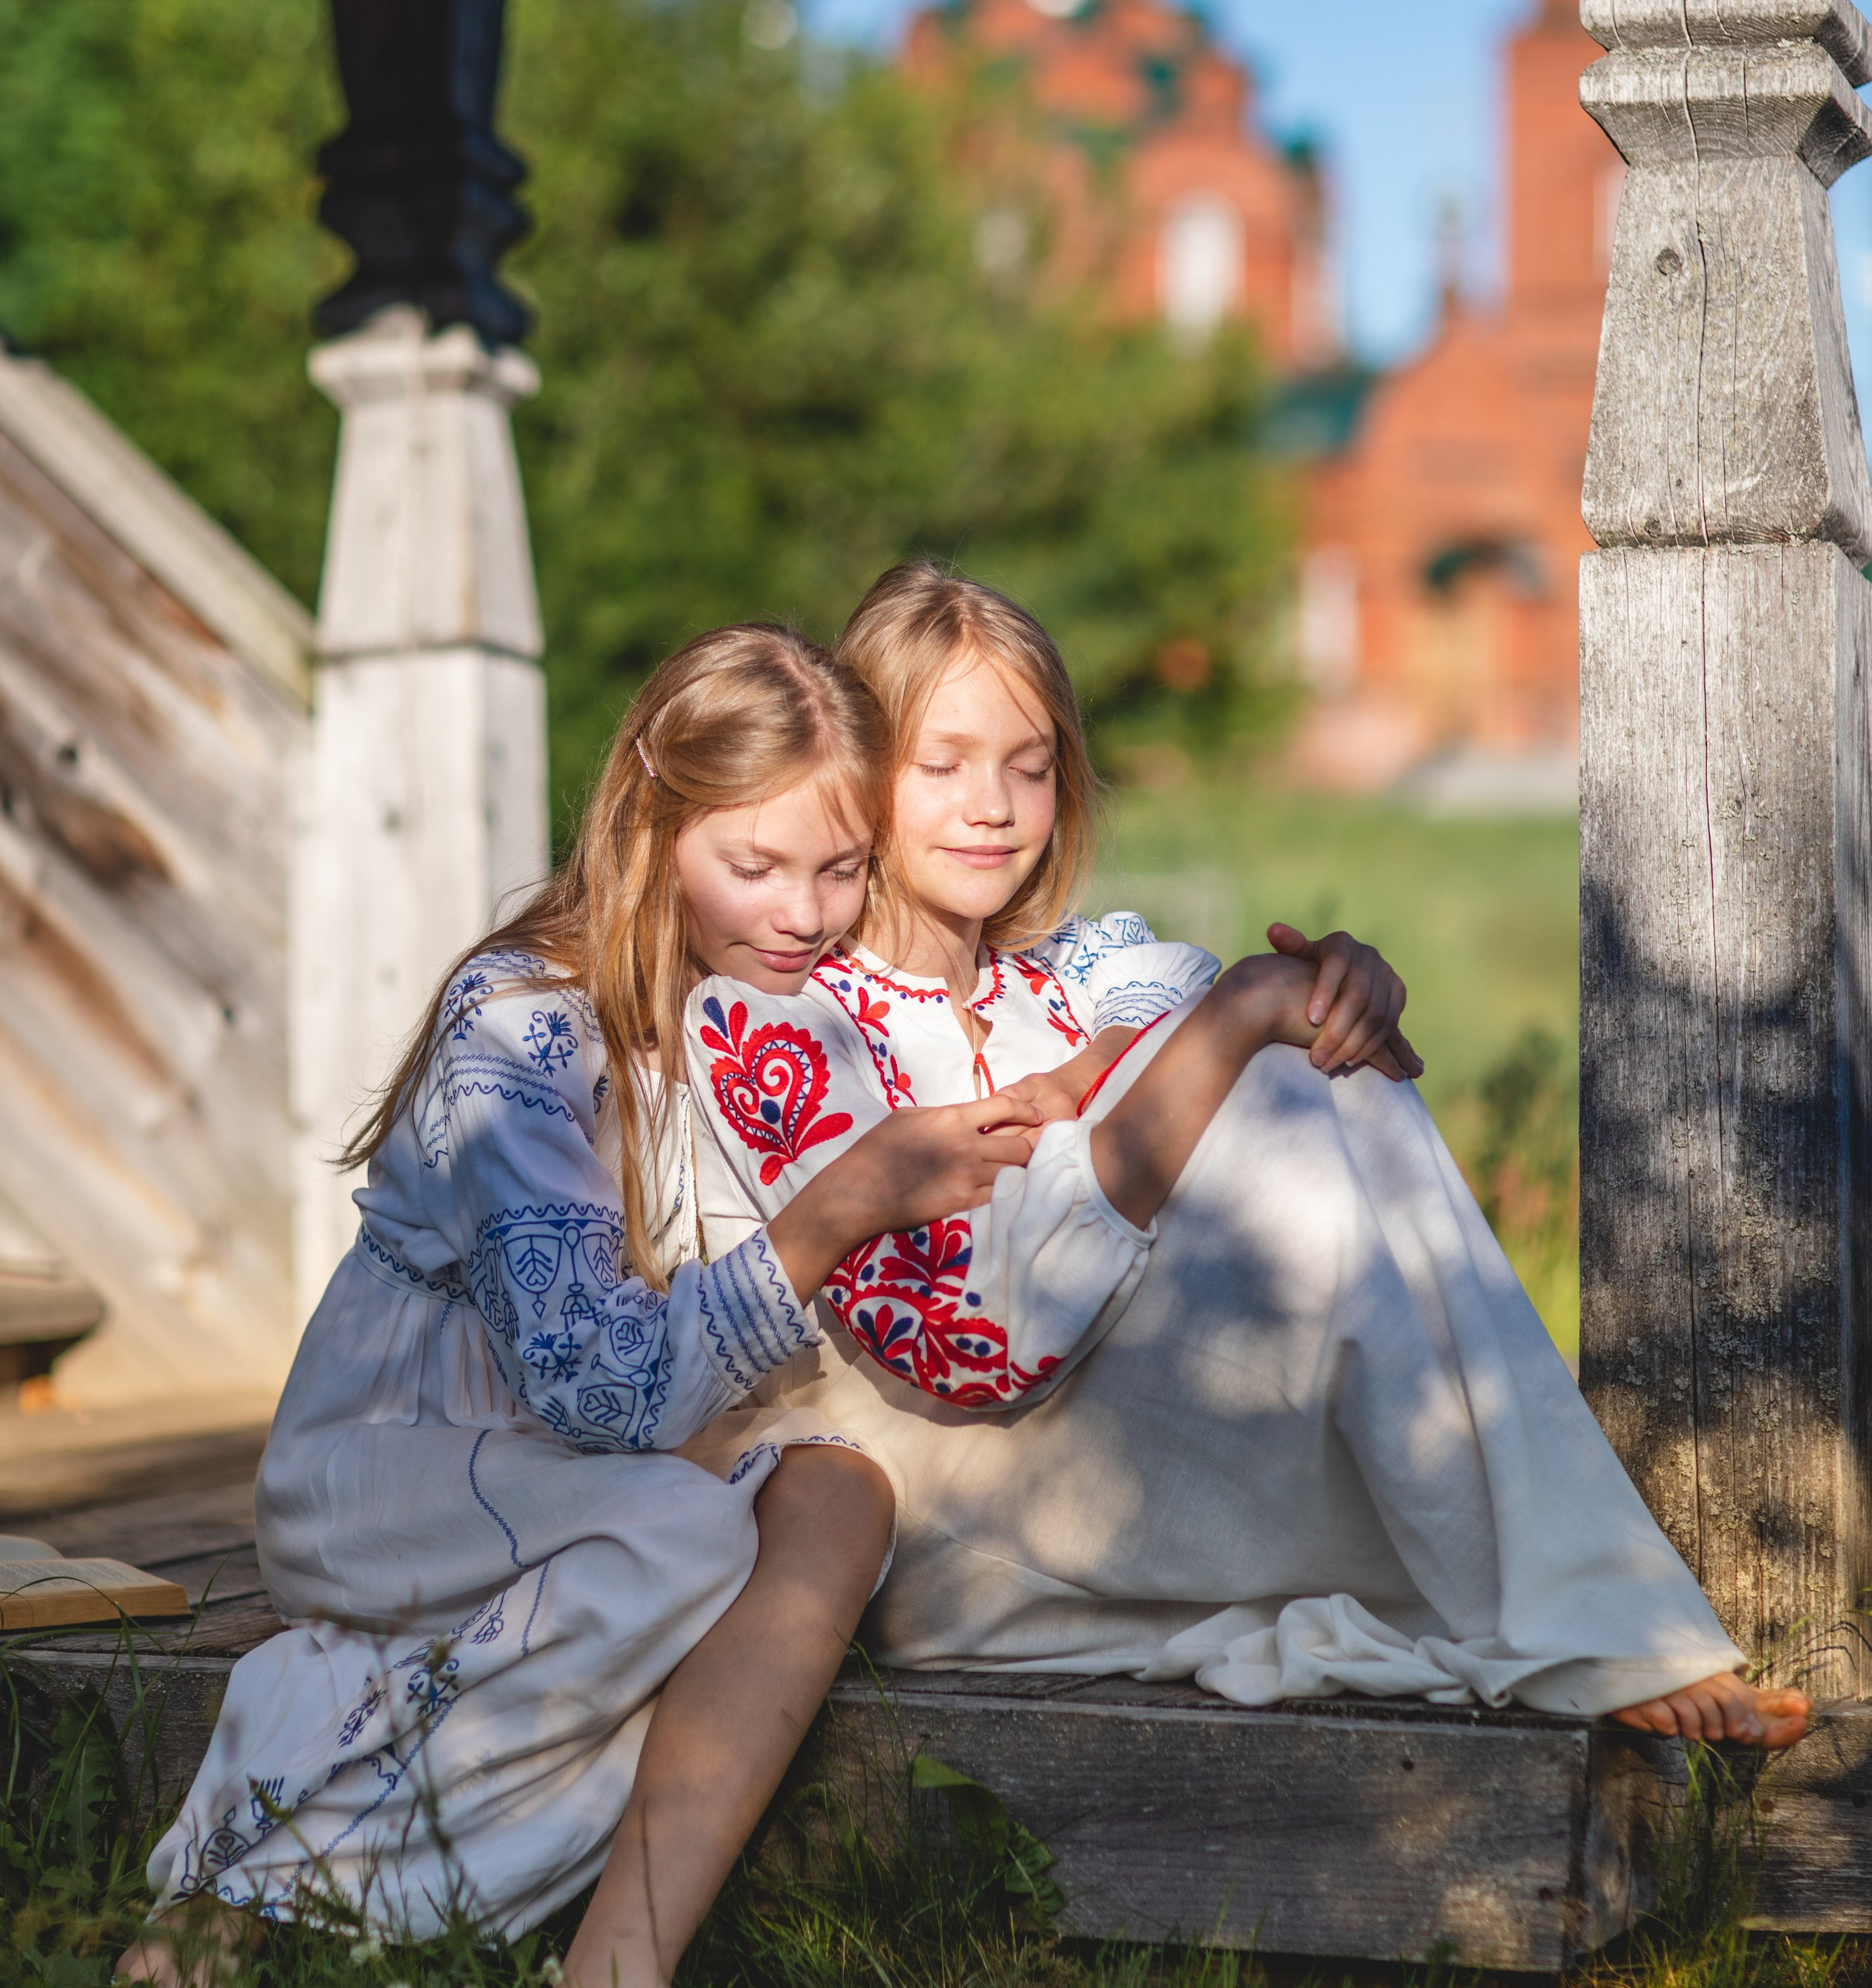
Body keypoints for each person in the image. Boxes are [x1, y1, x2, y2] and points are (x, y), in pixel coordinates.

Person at [118, 625, 1050, 1988]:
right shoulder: (519, 1031)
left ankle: (611, 1983)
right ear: (648, 820)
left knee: (838, 1494)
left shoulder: (738, 1002)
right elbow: (597, 1388)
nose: (806, 913)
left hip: (568, 1466)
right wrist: (842, 1206)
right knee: (680, 1535)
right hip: (394, 1462)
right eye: (756, 865)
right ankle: (252, 1878)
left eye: (841, 867)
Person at [683, 561, 1809, 1750]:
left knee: (1320, 1062)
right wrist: (1233, 1018)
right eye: (943, 763)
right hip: (945, 1514)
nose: (994, 805)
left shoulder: (1058, 986)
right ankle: (1575, 1608)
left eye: (1031, 765)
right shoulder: (783, 1018)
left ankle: (1564, 1598)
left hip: (1092, 1455)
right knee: (1274, 1060)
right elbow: (972, 1351)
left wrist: (1306, 1001)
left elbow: (1185, 1048)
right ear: (859, 770)